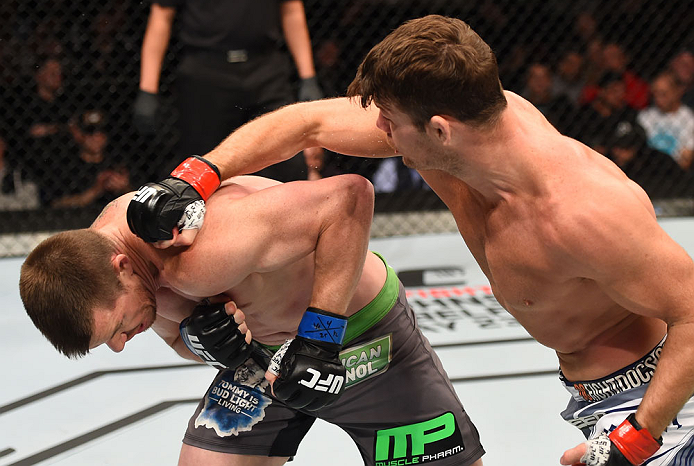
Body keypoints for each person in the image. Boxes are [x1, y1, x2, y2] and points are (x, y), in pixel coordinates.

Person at [126, 15, 694, 466]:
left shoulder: (579, 214)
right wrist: (196, 177)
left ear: (440, 129)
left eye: (391, 122)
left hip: (662, 393)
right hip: (595, 393)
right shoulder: (461, 138)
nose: (380, 134)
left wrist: (638, 438)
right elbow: (307, 124)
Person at [20, 170, 485, 466]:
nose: (121, 344)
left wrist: (319, 336)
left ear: (121, 267)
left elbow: (349, 198)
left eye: (115, 329)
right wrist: (203, 344)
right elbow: (179, 343)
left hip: (360, 335)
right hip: (262, 360)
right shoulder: (106, 253)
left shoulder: (204, 249)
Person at [133, 0, 324, 182]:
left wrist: (308, 76)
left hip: (265, 68)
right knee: (201, 168)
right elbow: (161, 16)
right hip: (206, 71)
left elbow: (292, 10)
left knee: (287, 164)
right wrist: (148, 88)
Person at [637, 71, 694, 171]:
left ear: (677, 91)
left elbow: (686, 160)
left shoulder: (689, 119)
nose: (658, 99)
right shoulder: (644, 116)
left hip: (674, 172)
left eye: (663, 94)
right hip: (646, 169)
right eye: (655, 94)